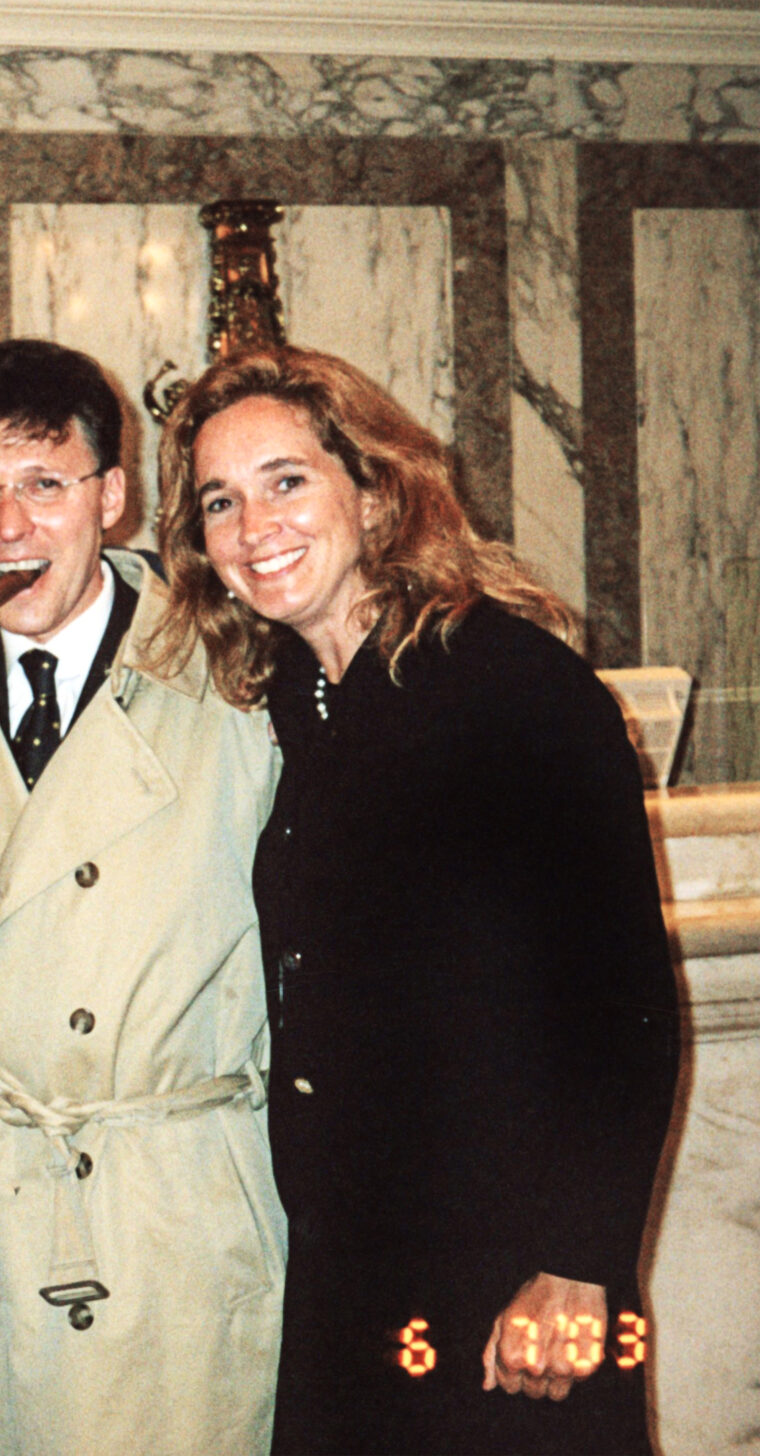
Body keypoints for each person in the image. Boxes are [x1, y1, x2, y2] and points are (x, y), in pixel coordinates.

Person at [150, 345, 680, 1454]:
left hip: (509, 1277)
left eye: (286, 480)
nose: (253, 526)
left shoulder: (513, 687)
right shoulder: (299, 701)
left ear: (374, 487)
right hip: (355, 1268)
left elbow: (621, 1005)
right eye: (219, 501)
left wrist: (577, 1262)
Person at [0, 339, 285, 1455]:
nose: (8, 527)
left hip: (169, 1222)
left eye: (43, 484)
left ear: (112, 498)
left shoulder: (239, 672)